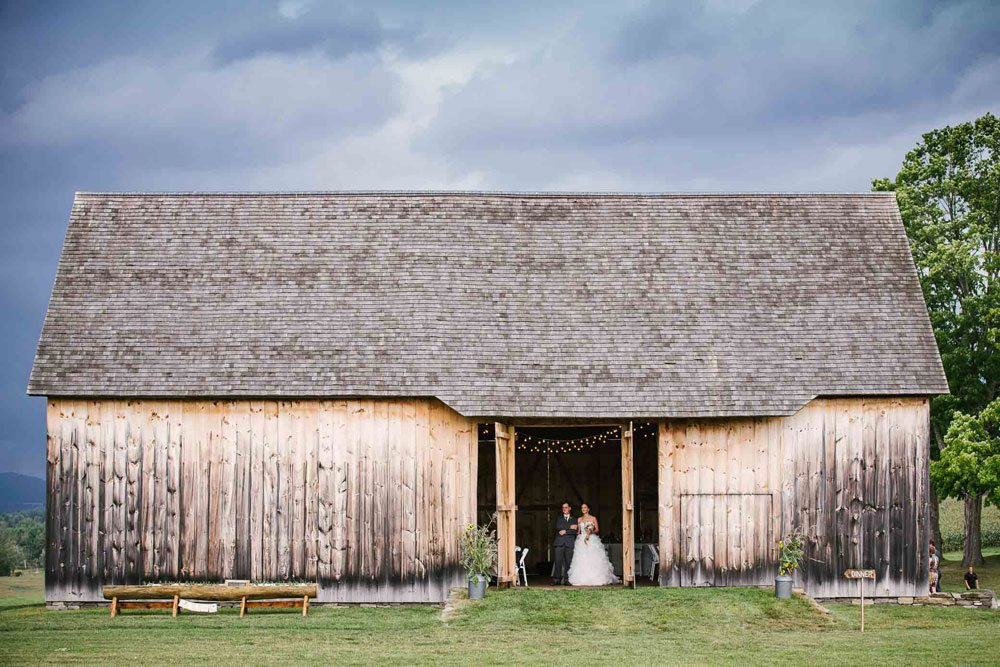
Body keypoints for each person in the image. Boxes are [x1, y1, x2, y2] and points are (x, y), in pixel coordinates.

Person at [567, 503, 621, 586]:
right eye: (582, 508)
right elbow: (578, 532)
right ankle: (581, 578)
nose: (583, 509)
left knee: (593, 557)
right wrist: (573, 529)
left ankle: (596, 577)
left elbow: (597, 530)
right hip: (581, 540)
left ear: (588, 509)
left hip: (591, 539)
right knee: (582, 559)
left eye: (585, 507)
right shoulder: (579, 519)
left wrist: (591, 531)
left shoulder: (593, 518)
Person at [552, 502, 578, 585]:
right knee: (558, 561)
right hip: (559, 543)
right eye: (563, 507)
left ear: (569, 508)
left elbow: (574, 531)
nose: (564, 509)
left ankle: (567, 580)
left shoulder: (574, 519)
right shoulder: (559, 518)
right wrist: (569, 527)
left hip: (569, 543)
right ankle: (557, 580)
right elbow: (558, 527)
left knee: (568, 562)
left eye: (566, 507)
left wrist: (565, 530)